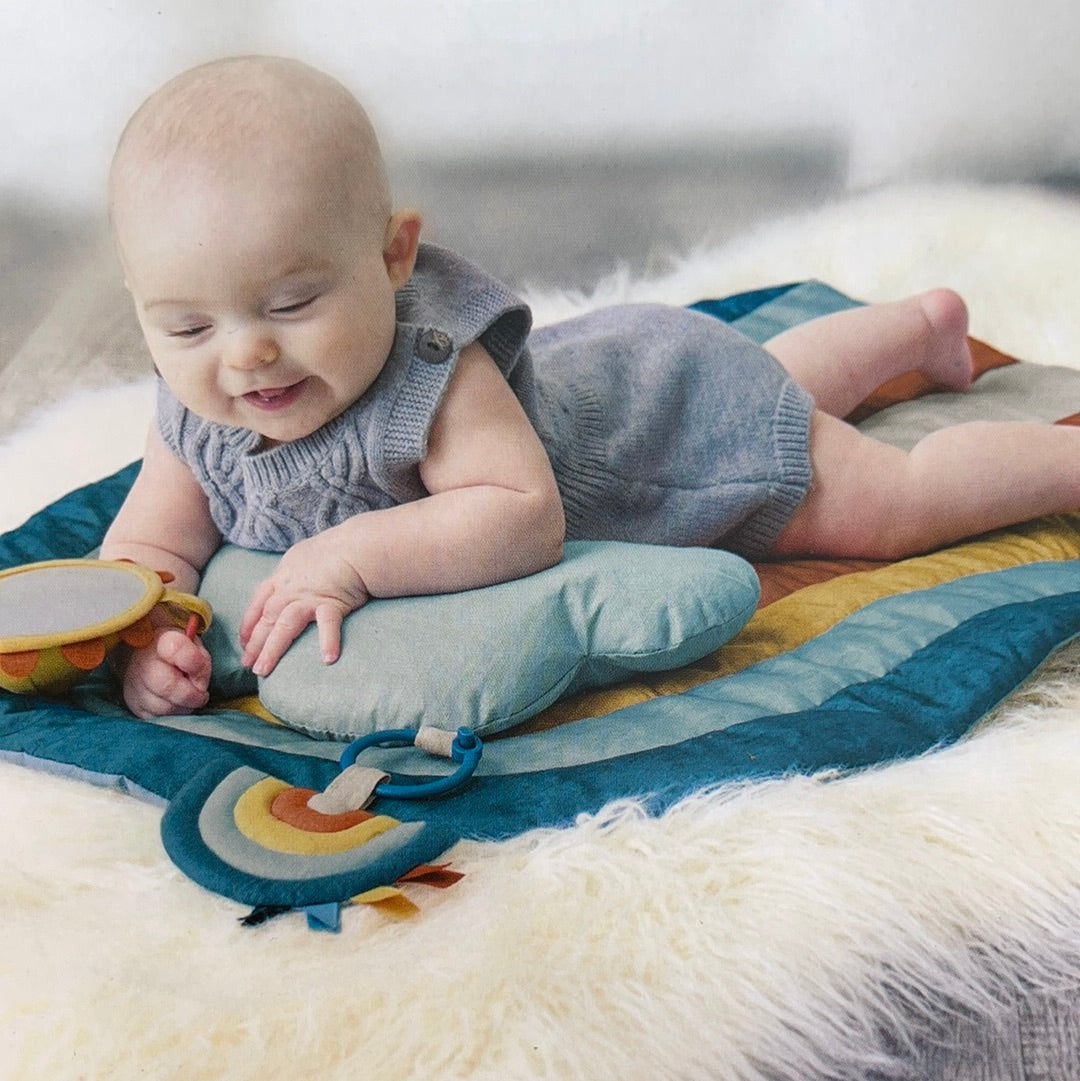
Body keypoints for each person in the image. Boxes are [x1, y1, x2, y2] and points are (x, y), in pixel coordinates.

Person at [101, 55, 1080, 719]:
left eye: (292, 303)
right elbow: (151, 547)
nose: (244, 359)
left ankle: (1061, 460)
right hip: (646, 372)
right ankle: (920, 329)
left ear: (394, 256)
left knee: (873, 495)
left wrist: (348, 558)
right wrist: (146, 640)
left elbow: (522, 516)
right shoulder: (196, 414)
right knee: (778, 388)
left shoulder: (432, 383)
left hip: (671, 437)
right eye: (187, 325)